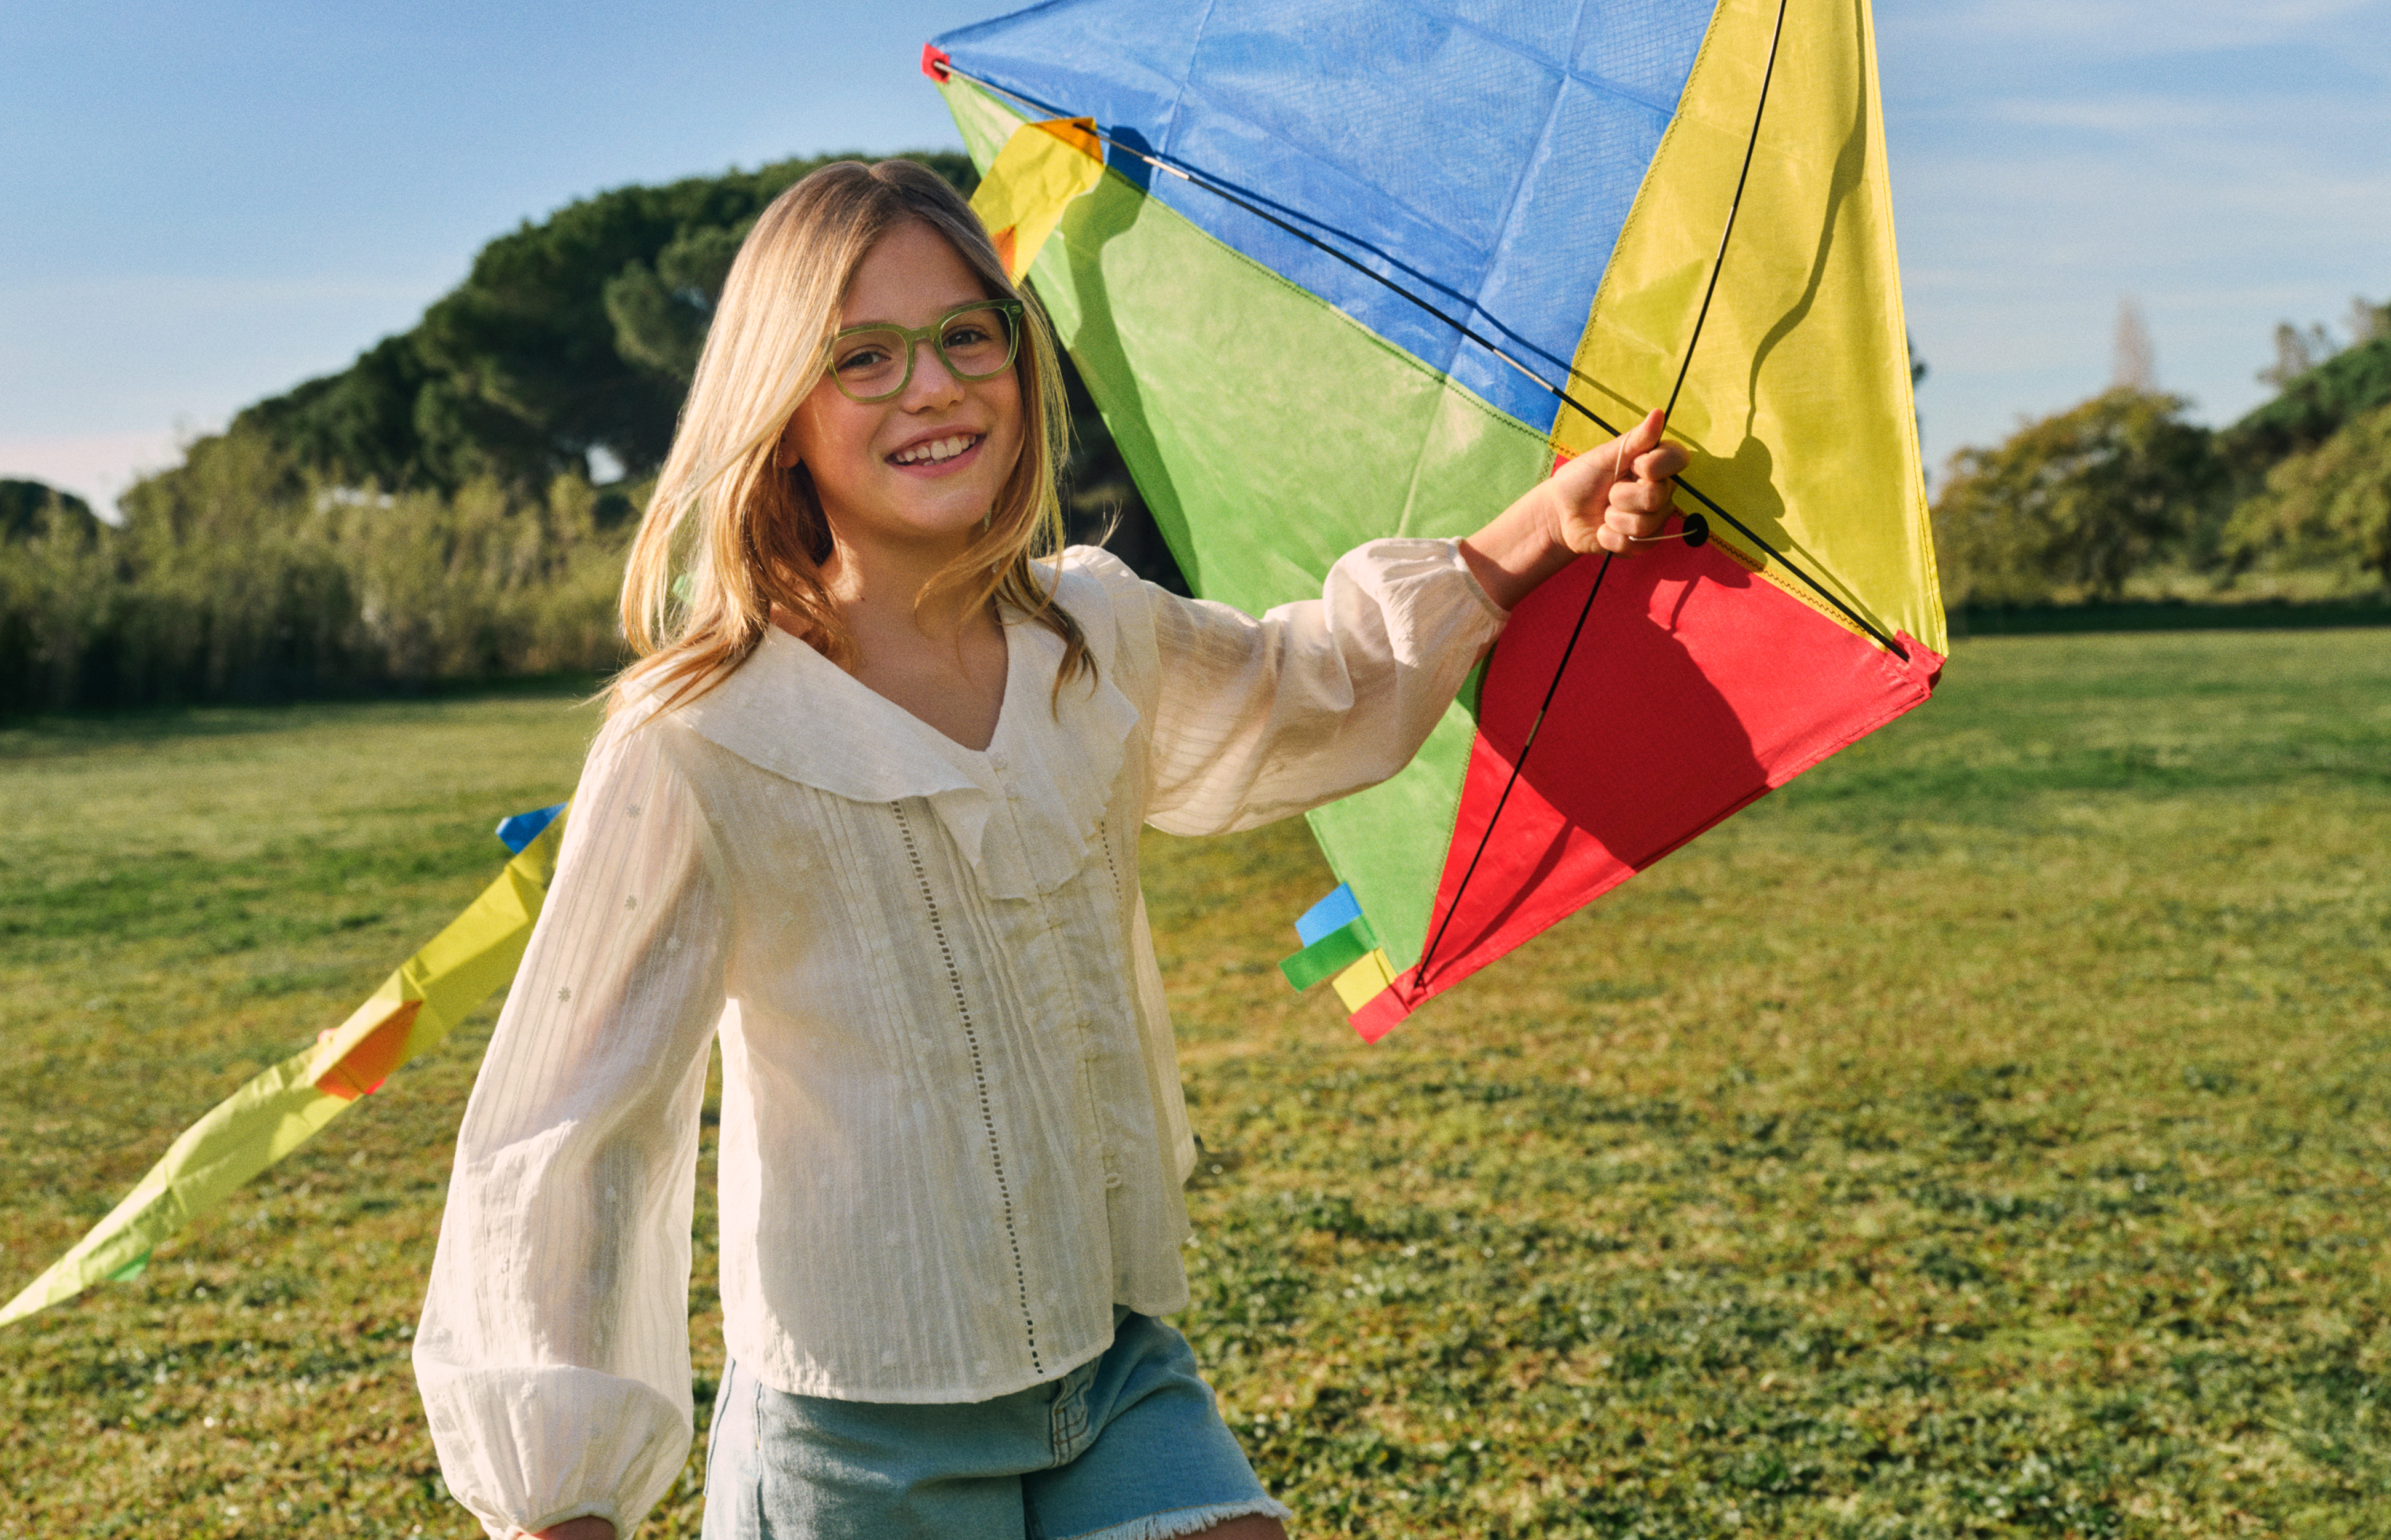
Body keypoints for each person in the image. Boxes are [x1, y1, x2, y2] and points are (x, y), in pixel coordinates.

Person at [412, 159, 1685, 1540]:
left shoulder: (1093, 637)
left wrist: (1543, 527)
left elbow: (1317, 687)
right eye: (865, 356)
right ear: (782, 413)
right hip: (857, 1433)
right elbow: (566, 1129)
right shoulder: (702, 737)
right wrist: (560, 1500)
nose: (935, 386)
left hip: (1114, 1364)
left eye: (972, 334)